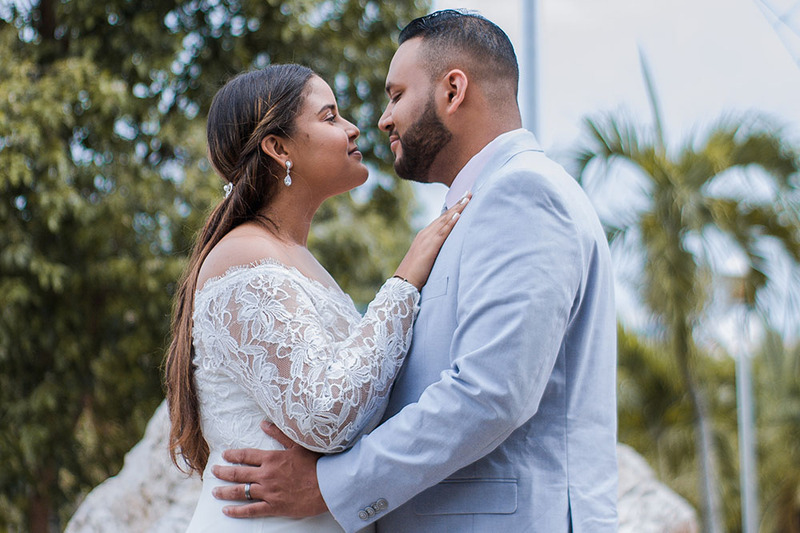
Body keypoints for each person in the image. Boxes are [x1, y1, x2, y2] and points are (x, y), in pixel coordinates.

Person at [212, 9, 618, 532]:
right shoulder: (474, 209)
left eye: (397, 95)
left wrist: (330, 486)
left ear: (453, 91)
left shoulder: (523, 193)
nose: (381, 120)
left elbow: (490, 393)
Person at [163, 63, 470, 533]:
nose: (352, 129)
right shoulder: (245, 255)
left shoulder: (297, 259)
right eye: (329, 117)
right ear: (278, 147)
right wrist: (405, 281)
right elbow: (326, 416)